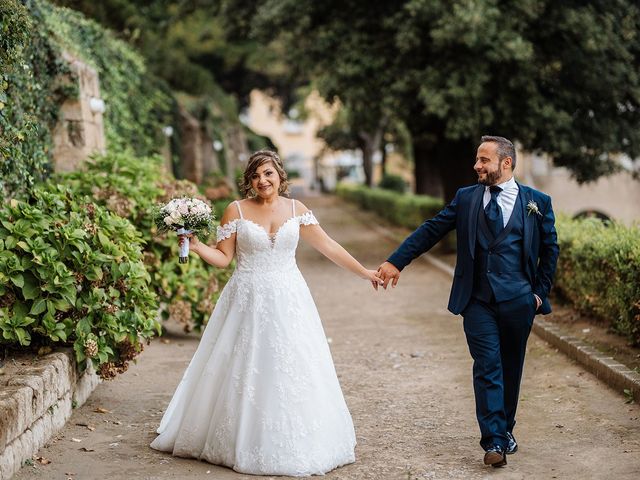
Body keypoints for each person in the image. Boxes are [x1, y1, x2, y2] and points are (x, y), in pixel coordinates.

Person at [150, 150, 382, 476]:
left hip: (290, 299)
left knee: (292, 365)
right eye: (257, 175)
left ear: (279, 176)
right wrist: (197, 245)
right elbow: (223, 258)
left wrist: (365, 272)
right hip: (247, 297)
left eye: (269, 174)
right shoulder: (236, 210)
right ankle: (237, 436)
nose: (263, 181)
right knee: (244, 365)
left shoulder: (296, 209)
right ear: (250, 180)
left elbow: (329, 246)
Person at [377, 136, 559, 468]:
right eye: (477, 159)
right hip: (477, 300)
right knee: (488, 366)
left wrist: (538, 294)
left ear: (505, 163)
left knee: (511, 367)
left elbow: (550, 250)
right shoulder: (466, 198)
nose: (477, 165)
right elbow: (432, 230)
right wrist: (396, 261)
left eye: (484, 160)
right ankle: (493, 441)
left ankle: (506, 430)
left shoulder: (537, 202)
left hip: (519, 301)